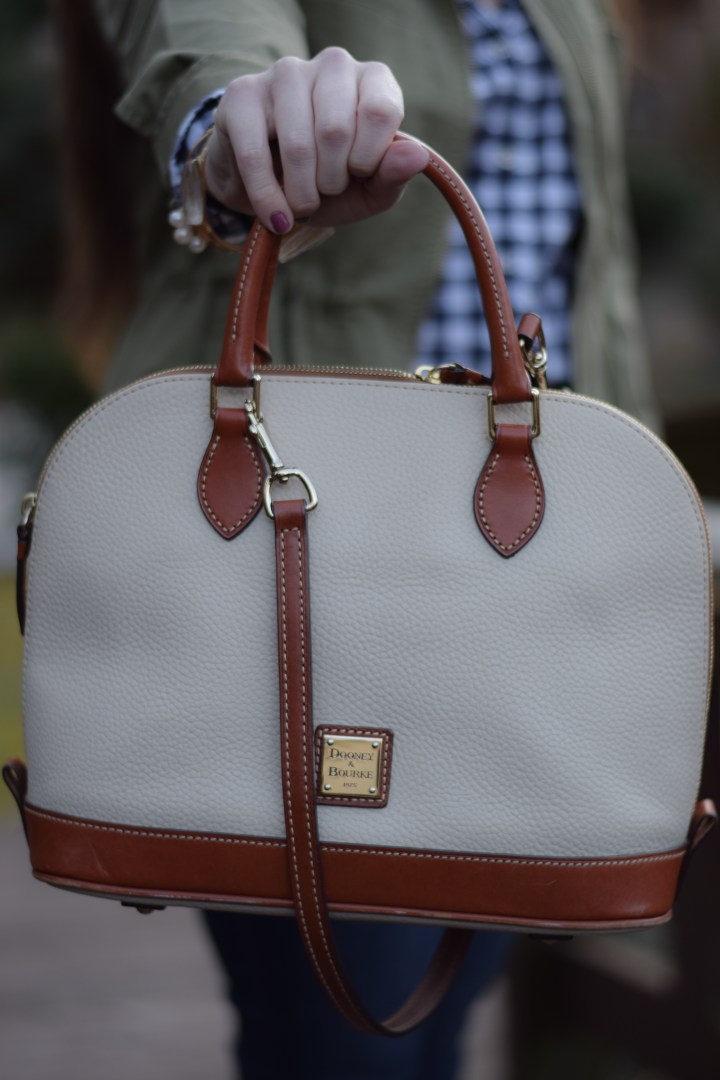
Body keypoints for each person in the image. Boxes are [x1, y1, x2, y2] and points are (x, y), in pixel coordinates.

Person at [59, 1, 656, 1076]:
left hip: (530, 584)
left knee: (437, 1024)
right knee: (347, 1044)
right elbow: (210, 33)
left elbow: (588, 270)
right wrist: (243, 127)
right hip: (315, 574)